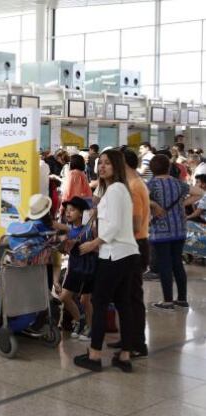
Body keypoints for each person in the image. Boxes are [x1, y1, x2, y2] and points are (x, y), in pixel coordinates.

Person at [74, 149, 140, 373]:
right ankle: (124, 355)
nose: (102, 167)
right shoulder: (120, 190)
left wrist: (94, 244)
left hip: (113, 255)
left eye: (107, 164)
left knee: (100, 304)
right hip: (128, 253)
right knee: (124, 304)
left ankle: (94, 355)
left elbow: (112, 225)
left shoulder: (115, 191)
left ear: (117, 166)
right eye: (100, 163)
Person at [103, 148, 151, 357]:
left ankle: (137, 344)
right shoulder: (132, 184)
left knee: (132, 297)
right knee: (125, 296)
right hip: (133, 244)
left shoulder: (132, 187)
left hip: (134, 245)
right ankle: (128, 340)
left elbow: (135, 223)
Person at [147, 154, 203, 310]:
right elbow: (199, 192)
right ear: (169, 167)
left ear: (152, 168)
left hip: (160, 230)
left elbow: (141, 199)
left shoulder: (150, 185)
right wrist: (182, 203)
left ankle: (167, 301)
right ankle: (182, 299)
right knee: (177, 263)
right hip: (179, 228)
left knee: (164, 264)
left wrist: (153, 204)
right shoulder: (178, 183)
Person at [57, 197, 95, 341]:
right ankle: (80, 320)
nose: (68, 213)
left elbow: (97, 246)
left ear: (81, 213)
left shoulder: (90, 229)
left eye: (72, 210)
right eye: (66, 211)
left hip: (88, 268)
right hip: (74, 268)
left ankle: (90, 328)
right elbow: (63, 250)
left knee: (86, 300)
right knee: (64, 297)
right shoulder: (68, 230)